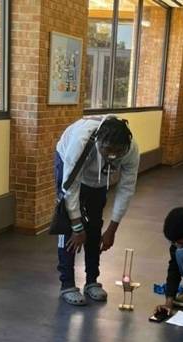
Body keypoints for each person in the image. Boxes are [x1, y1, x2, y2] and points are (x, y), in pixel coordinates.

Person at [55, 115, 140, 306]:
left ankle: (92, 281)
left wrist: (112, 229)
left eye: (118, 152)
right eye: (107, 150)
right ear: (98, 141)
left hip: (99, 179)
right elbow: (70, 188)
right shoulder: (81, 142)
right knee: (67, 226)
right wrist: (77, 227)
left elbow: (126, 189)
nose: (112, 155)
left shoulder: (131, 150)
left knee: (95, 227)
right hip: (70, 166)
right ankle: (67, 283)